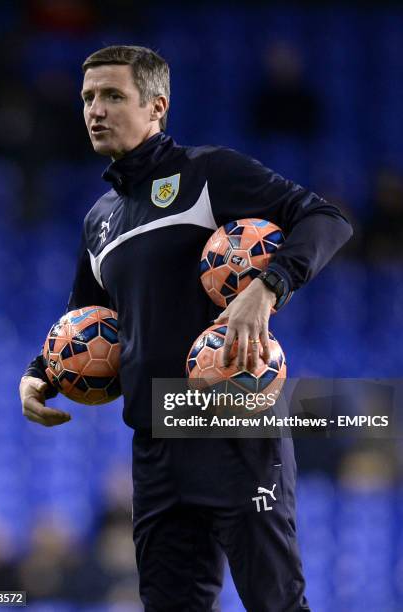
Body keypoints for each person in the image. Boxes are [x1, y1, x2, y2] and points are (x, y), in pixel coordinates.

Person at [20, 45, 352, 611]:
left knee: (275, 604)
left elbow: (328, 219)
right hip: (154, 442)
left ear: (157, 106)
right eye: (88, 98)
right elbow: (86, 319)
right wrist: (37, 373)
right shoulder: (99, 220)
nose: (95, 110)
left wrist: (267, 287)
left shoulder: (207, 174)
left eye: (112, 96)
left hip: (233, 425)